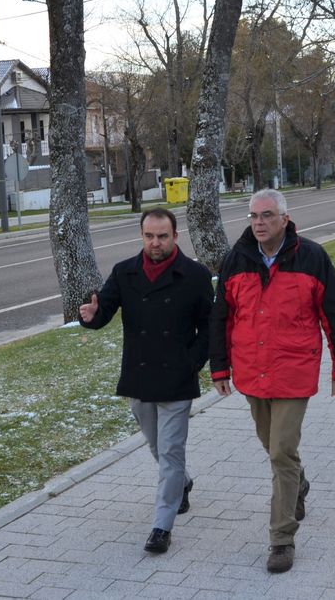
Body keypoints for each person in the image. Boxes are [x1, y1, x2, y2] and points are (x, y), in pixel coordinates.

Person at [209, 188, 335, 573]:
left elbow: (333, 317)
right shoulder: (235, 259)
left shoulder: (311, 257)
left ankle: (281, 539)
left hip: (294, 372)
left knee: (280, 453)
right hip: (251, 372)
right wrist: (220, 369)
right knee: (275, 449)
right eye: (254, 216)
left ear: (285, 219)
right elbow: (221, 318)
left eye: (267, 215)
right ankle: (299, 484)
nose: (259, 223)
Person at [79, 207, 213, 555]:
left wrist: (192, 362)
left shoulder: (195, 275)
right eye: (149, 236)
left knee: (170, 450)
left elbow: (210, 327)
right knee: (156, 446)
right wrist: (92, 317)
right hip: (140, 375)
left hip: (177, 377)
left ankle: (161, 525)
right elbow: (104, 310)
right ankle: (181, 483)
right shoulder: (125, 272)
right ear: (142, 236)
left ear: (175, 237)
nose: (155, 243)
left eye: (162, 236)